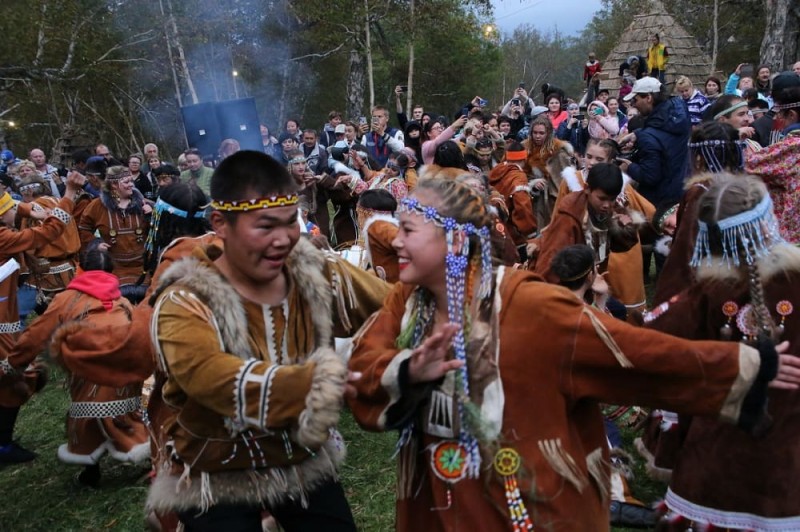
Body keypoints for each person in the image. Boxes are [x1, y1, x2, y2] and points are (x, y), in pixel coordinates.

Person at [346, 176, 797, 531]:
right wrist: (407, 370)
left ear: (457, 240)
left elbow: (633, 354)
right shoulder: (407, 300)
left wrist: (744, 369)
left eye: (408, 230)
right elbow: (361, 365)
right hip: (434, 497)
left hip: (523, 498)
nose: (395, 241)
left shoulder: (530, 304)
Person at [146, 150, 390, 530]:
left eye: (290, 222)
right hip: (217, 470)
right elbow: (209, 376)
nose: (283, 239)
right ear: (220, 223)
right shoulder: (185, 299)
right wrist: (317, 382)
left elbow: (393, 307)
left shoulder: (314, 270)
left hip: (302, 457)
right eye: (264, 226)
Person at [644, 174, 800, 530]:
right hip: (788, 461)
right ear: (768, 222)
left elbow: (650, 339)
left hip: (715, 457)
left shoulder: (709, 290)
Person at [3, 241, 152, 486]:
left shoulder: (66, 299)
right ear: (110, 272)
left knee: (87, 419)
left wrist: (12, 363)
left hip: (88, 372)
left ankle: (91, 469)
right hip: (123, 374)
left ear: (81, 268)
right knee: (125, 416)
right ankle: (146, 455)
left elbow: (36, 335)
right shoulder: (122, 301)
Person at [0, 172, 83, 464]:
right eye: (11, 207)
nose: (17, 209)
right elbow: (48, 232)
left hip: (7, 318)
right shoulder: (3, 237)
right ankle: (3, 444)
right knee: (17, 377)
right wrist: (69, 193)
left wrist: (25, 209)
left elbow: (13, 207)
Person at [653, 121, 747, 306]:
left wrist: (670, 296)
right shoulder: (748, 188)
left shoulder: (701, 192)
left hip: (709, 281)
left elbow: (686, 248)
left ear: (699, 158)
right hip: (745, 276)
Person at [531, 162, 639, 283]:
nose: (607, 205)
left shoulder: (611, 210)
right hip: (571, 285)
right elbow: (551, 260)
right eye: (602, 198)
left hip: (591, 280)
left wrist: (623, 229)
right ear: (587, 189)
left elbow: (620, 246)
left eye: (612, 199)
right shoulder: (569, 217)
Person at [78, 166, 151, 303]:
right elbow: (84, 227)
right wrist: (96, 244)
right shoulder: (97, 206)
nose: (131, 185)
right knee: (120, 307)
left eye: (131, 181)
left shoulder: (143, 203)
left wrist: (151, 215)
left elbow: (159, 231)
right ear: (113, 185)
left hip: (142, 267)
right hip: (114, 267)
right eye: (126, 182)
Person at [619, 77, 691, 208]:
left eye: (636, 100)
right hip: (682, 191)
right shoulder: (679, 114)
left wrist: (629, 167)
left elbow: (650, 176)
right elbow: (663, 132)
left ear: (648, 98)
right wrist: (638, 133)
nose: (634, 105)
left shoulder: (648, 137)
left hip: (659, 199)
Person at [745, 80, 800, 244]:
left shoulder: (791, 147)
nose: (775, 118)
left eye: (779, 113)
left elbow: (745, 165)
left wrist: (730, 136)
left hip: (793, 237)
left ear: (791, 115)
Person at [488, 141, 538, 260]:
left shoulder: (498, 170)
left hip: (495, 228)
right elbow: (522, 205)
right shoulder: (518, 176)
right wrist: (529, 231)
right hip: (513, 235)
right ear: (524, 158)